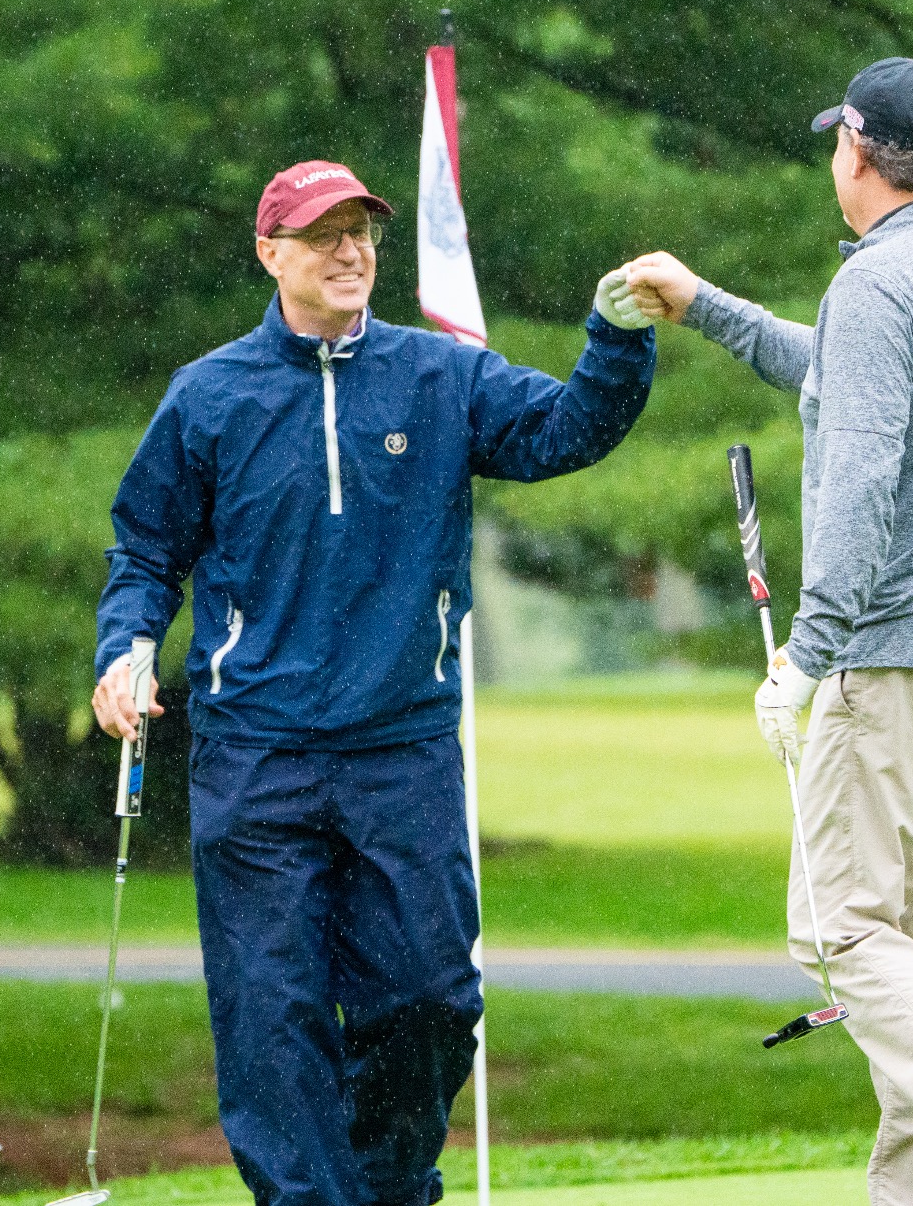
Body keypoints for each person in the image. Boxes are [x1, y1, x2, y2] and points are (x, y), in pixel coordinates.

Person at [92, 160, 656, 1206]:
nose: (350, 252)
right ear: (270, 253)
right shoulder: (208, 395)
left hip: (400, 747)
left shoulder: (441, 377)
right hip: (255, 754)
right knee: (272, 1016)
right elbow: (144, 551)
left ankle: (387, 1186)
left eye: (361, 232)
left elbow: (564, 429)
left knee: (429, 998)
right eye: (322, 235)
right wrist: (123, 648)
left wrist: (614, 337)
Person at [609, 59, 913, 1206]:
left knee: (836, 933)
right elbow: (837, 376)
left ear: (860, 154)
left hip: (905, 653)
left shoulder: (879, 287)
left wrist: (806, 655)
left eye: (837, 141)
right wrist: (707, 306)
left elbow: (860, 483)